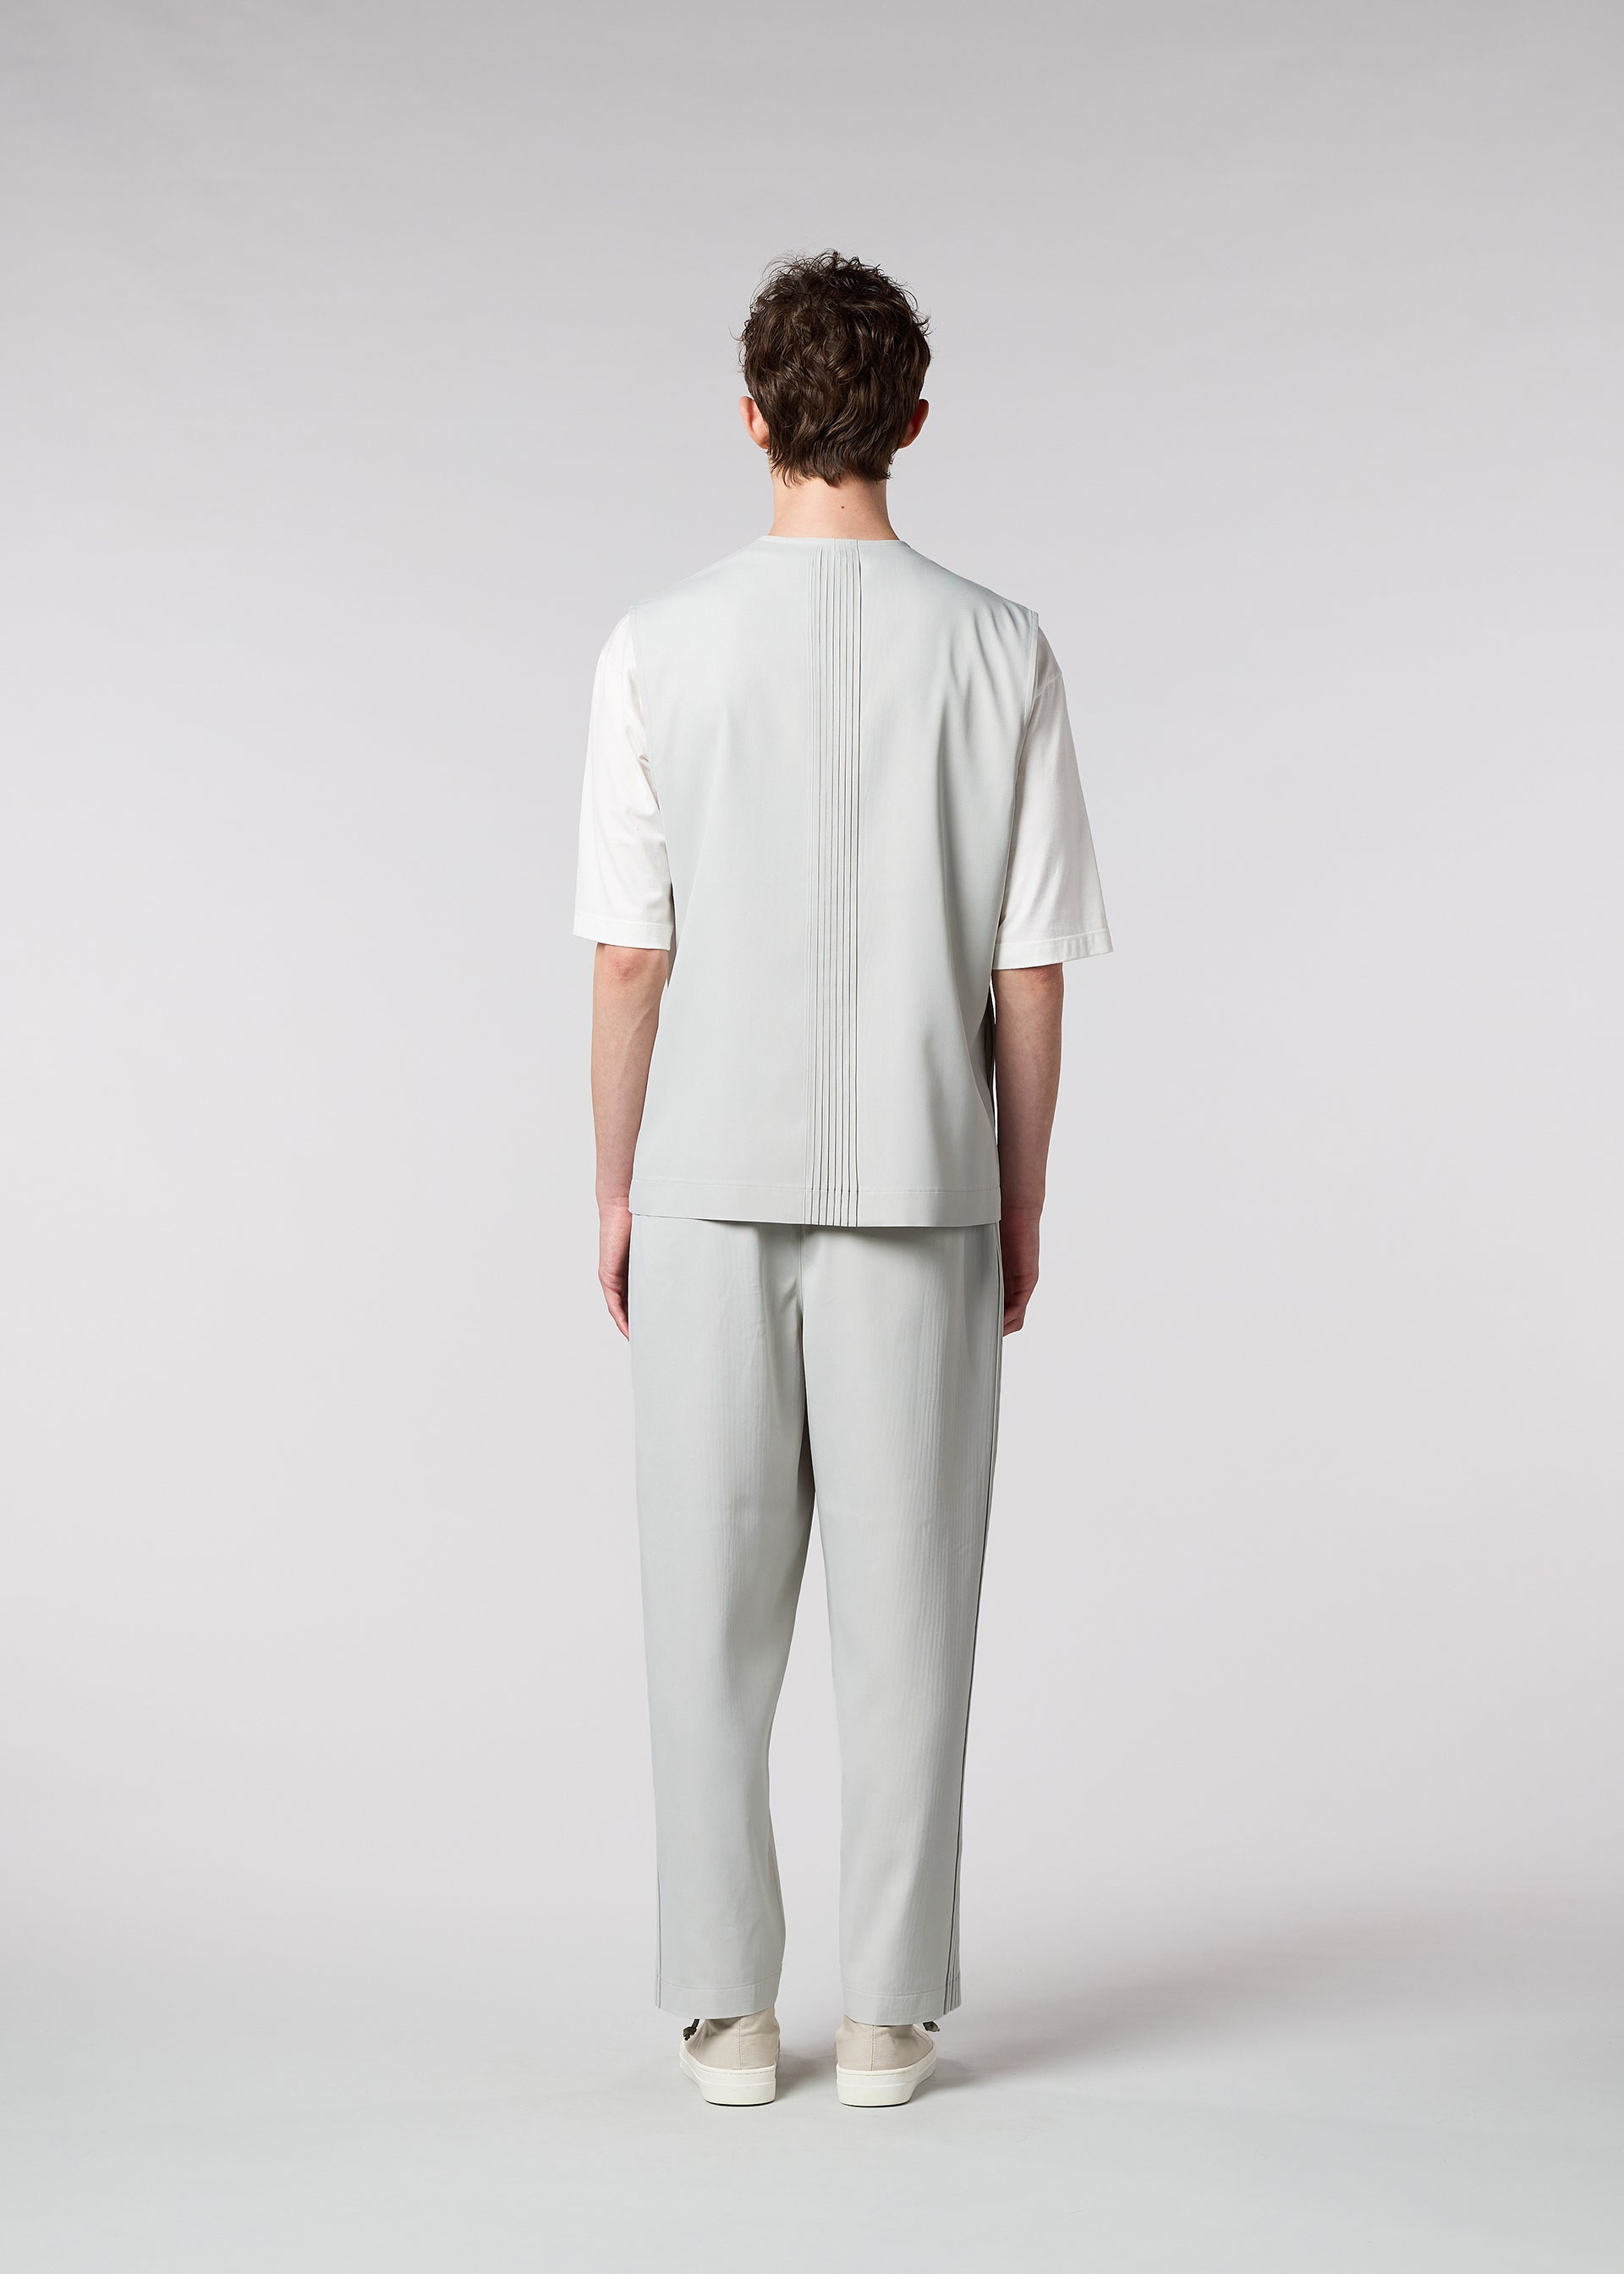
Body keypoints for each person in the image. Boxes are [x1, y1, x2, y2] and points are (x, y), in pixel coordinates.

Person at [573, 251, 1111, 2108]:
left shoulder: (653, 644)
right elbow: (1027, 974)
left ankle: (726, 2011)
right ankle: (888, 2013)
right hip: (924, 1186)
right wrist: (1019, 1198)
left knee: (704, 1618)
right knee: (913, 1616)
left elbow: (628, 959)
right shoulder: (1002, 646)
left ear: (751, 418)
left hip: (707, 1183)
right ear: (914, 420)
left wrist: (615, 1188)